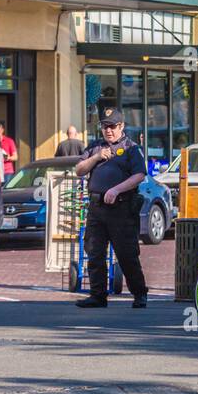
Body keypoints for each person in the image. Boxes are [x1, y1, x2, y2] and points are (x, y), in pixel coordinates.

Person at [74, 108, 148, 309]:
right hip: (97, 208)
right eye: (105, 126)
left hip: (121, 208)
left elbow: (140, 175)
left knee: (126, 254)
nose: (108, 130)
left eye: (112, 126)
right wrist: (96, 157)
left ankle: (139, 294)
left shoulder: (131, 148)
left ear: (121, 126)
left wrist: (116, 190)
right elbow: (79, 170)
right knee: (94, 252)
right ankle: (98, 296)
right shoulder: (96, 147)